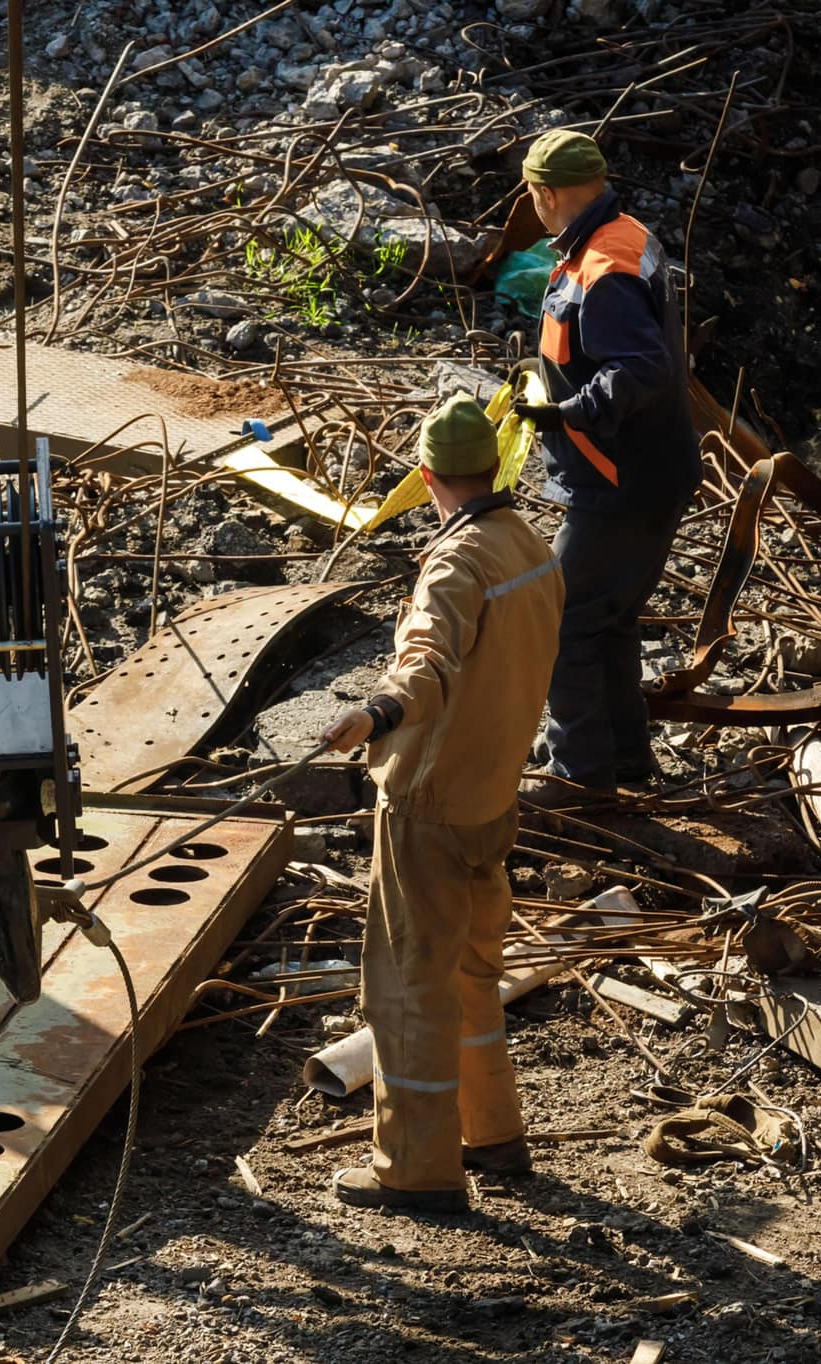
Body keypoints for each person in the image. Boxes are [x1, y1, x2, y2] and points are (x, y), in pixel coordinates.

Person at [319, 393, 565, 1212]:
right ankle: (494, 1134)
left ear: (427, 478)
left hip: (428, 807)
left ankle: (415, 1172)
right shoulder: (530, 543)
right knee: (472, 975)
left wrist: (374, 715)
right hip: (494, 798)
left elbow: (427, 659)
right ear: (492, 468)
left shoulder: (457, 564)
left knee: (405, 987)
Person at [510, 129, 701, 791]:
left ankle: (580, 779)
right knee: (607, 620)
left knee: (558, 621)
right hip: (646, 473)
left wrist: (569, 413)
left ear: (546, 193)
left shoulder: (603, 268)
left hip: (622, 483)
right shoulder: (620, 234)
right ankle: (623, 758)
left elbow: (641, 367)